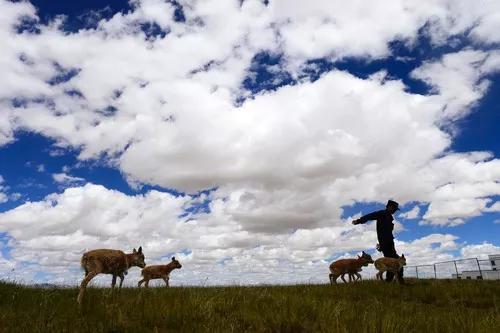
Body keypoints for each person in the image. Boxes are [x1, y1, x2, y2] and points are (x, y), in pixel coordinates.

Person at [352, 200, 404, 283]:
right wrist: (359, 221)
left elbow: (387, 232)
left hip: (389, 243)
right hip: (386, 244)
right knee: (395, 262)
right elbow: (370, 216)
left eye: (395, 209)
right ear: (389, 207)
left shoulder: (389, 217)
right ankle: (396, 282)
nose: (395, 211)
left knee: (395, 263)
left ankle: (392, 282)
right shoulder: (382, 213)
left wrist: (387, 245)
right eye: (394, 208)